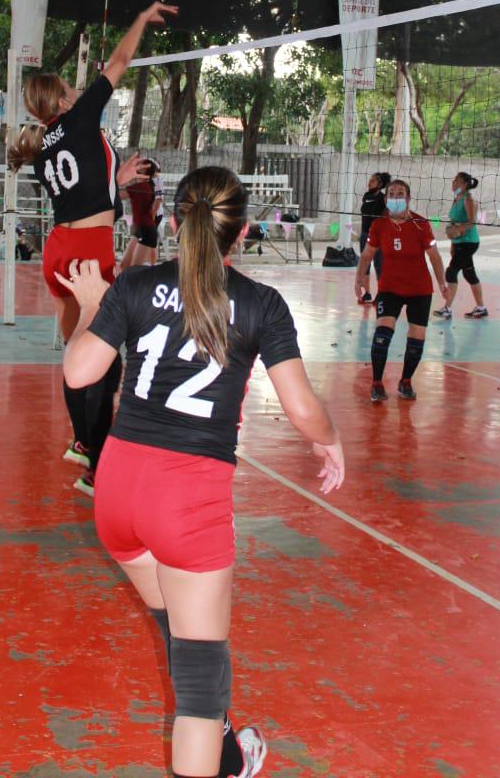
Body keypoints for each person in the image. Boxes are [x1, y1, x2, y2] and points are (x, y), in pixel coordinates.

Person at [57, 166, 345, 778]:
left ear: (173, 220)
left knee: (180, 632)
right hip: (188, 501)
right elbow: (301, 408)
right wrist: (331, 440)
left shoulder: (134, 285)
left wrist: (88, 308)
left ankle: (230, 754)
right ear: (241, 234)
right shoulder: (261, 304)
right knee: (198, 688)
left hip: (117, 492)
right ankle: (219, 747)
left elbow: (80, 374)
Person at [9, 1, 178, 496]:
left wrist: (118, 177)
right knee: (106, 360)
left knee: (79, 352)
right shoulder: (79, 119)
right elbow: (119, 64)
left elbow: (81, 189)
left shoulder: (43, 147)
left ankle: (83, 443)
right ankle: (97, 468)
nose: (79, 90)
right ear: (62, 100)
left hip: (61, 247)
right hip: (86, 251)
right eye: (71, 88)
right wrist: (142, 19)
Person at [354, 178, 447, 403]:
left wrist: (442, 282)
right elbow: (367, 255)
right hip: (390, 288)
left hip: (419, 289)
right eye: (392, 193)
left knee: (416, 340)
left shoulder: (421, 224)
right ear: (386, 199)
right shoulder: (379, 225)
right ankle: (377, 383)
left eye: (401, 193)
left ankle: (406, 381)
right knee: (382, 336)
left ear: (408, 199)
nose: (396, 197)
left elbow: (434, 257)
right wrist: (359, 279)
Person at [434, 172, 488, 320]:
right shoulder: (456, 199)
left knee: (451, 272)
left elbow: (471, 222)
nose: (454, 183)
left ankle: (447, 309)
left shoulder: (468, 199)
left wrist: (457, 230)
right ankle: (481, 308)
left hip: (469, 242)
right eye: (453, 180)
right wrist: (453, 242)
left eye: (457, 181)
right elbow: (453, 223)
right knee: (469, 274)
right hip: (459, 243)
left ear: (465, 184)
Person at [120, 156, 164, 271]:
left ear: (145, 171)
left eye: (141, 166)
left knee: (134, 270)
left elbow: (116, 195)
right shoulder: (143, 186)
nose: (137, 167)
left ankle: (152, 271)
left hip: (146, 230)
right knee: (124, 266)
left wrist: (118, 178)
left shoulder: (141, 187)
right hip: (139, 229)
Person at [357, 171, 390, 303]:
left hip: (377, 235)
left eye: (373, 180)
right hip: (365, 233)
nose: (369, 182)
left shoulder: (383, 198)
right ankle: (367, 293)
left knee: (379, 264)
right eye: (369, 180)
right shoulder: (366, 196)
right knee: (365, 264)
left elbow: (386, 215)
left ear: (380, 184)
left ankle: (381, 294)